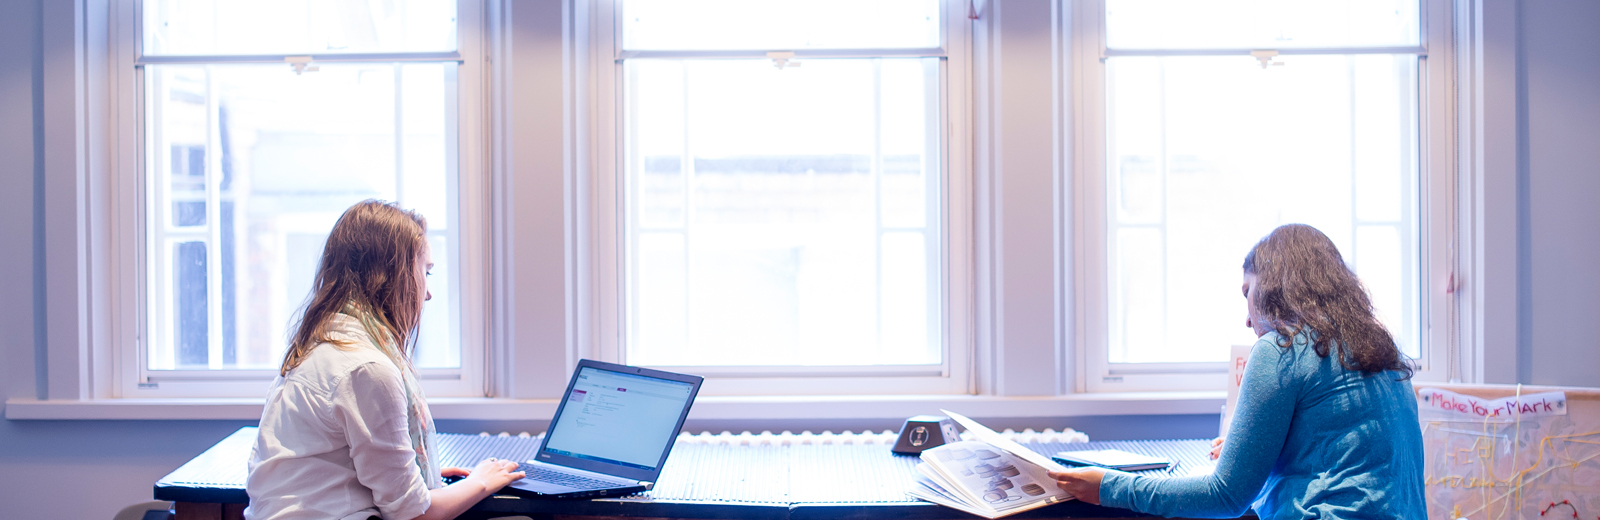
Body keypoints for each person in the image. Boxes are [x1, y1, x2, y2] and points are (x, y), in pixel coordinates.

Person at [1051, 224, 1427, 519]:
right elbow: (1339, 465)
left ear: (1274, 286)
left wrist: (1108, 486)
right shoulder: (1382, 352)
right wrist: (1254, 453)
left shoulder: (1282, 347)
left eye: (1248, 291)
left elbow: (1226, 496)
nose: (1247, 319)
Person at [246, 200, 524, 520]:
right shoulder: (367, 369)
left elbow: (328, 468)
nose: (428, 293)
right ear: (395, 276)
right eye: (426, 272)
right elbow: (414, 516)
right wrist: (480, 483)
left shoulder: (321, 346)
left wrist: (409, 474)